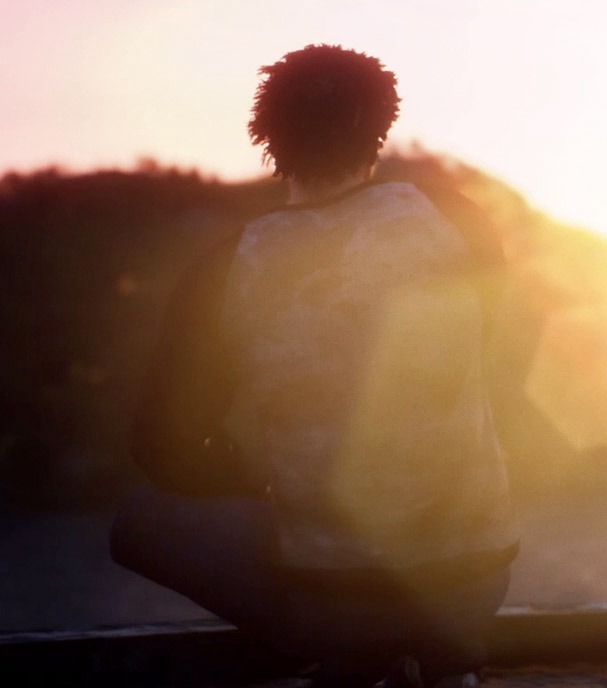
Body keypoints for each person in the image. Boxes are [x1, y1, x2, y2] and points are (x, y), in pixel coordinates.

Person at [110, 44, 519, 688]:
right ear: (380, 124)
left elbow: (159, 447)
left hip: (336, 601)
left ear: (265, 133)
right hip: (474, 584)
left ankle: (358, 656)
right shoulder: (457, 220)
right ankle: (433, 660)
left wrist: (254, 479)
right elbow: (493, 347)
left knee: (140, 518)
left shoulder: (230, 265)